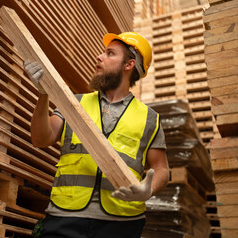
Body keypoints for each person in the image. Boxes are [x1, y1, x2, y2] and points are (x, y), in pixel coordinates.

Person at [25, 32, 170, 238]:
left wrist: (148, 191)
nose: (99, 57)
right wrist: (43, 95)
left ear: (128, 65)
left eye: (110, 53)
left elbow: (161, 168)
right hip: (65, 216)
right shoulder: (75, 102)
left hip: (122, 223)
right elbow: (40, 139)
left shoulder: (149, 118)